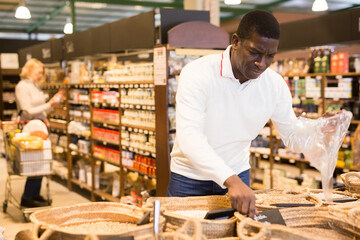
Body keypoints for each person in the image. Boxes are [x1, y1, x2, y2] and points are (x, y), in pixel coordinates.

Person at [167, 10, 324, 218]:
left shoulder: (275, 85)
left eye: (270, 56)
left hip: (238, 175)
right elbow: (190, 139)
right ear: (235, 41)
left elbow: (292, 138)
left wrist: (321, 128)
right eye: (255, 53)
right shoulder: (198, 73)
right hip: (190, 179)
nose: (262, 63)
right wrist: (230, 180)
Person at [15, 58, 64, 208]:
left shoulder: (36, 86)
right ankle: (27, 197)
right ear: (29, 70)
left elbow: (42, 109)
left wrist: (52, 105)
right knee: (34, 163)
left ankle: (34, 194)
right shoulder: (22, 86)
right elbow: (27, 111)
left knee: (41, 161)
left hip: (40, 128)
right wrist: (48, 104)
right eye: (39, 72)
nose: (41, 75)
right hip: (30, 130)